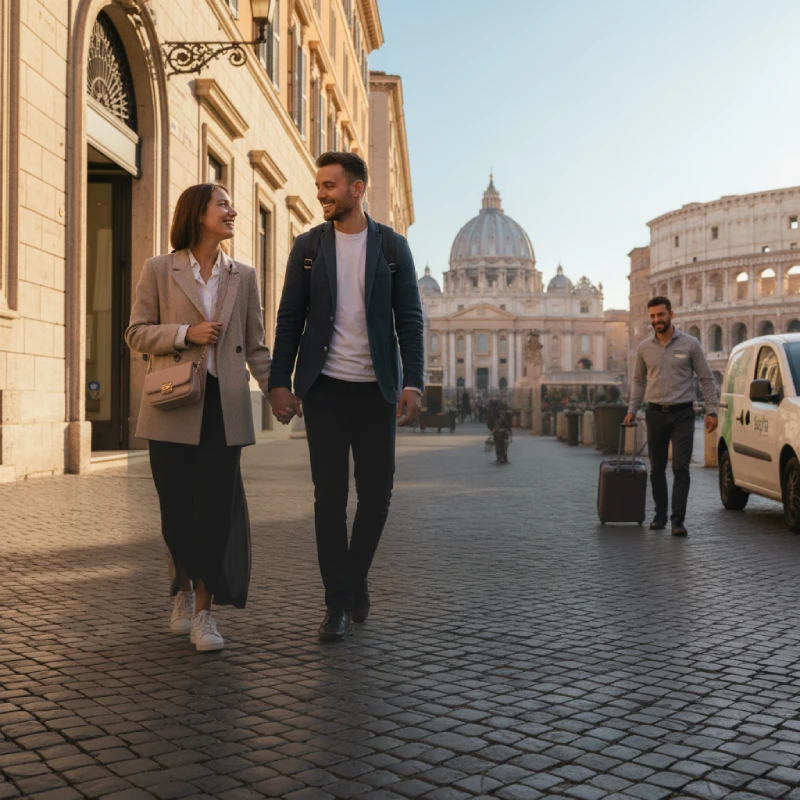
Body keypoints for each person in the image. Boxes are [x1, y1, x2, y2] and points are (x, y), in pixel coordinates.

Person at [269, 152, 424, 642]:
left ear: (357, 189)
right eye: (318, 186)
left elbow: (410, 321)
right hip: (325, 390)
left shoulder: (394, 248)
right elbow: (289, 317)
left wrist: (412, 382)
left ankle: (355, 579)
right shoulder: (307, 246)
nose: (321, 194)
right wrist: (279, 380)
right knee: (329, 499)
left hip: (376, 390)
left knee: (377, 496)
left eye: (330, 186)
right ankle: (336, 602)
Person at [125, 183, 272, 652]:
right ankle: (181, 592)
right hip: (172, 405)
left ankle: (204, 614)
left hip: (223, 409)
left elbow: (255, 347)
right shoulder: (157, 270)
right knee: (175, 513)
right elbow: (136, 333)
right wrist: (187, 333)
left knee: (214, 513)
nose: (233, 211)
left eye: (231, 204)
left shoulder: (243, 276)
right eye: (223, 204)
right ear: (198, 214)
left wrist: (280, 395)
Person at [624, 296, 718, 537]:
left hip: (683, 413)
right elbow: (638, 381)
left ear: (671, 315)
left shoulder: (690, 344)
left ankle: (678, 520)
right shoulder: (644, 349)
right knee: (656, 469)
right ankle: (660, 514)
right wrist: (632, 411)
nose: (657, 320)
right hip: (655, 412)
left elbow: (706, 378)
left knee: (680, 467)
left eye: (661, 315)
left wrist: (712, 411)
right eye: (653, 316)